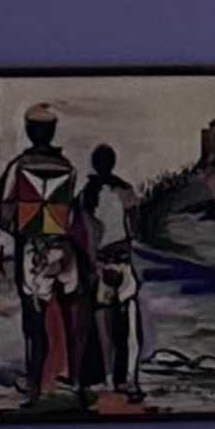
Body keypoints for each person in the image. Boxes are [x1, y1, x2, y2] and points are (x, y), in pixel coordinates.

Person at [0, 105, 93, 409]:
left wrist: (21, 226)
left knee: (34, 320)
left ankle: (36, 387)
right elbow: (71, 213)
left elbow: (5, 213)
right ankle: (74, 382)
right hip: (64, 250)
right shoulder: (67, 167)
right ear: (52, 131)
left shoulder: (18, 166)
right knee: (69, 318)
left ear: (28, 130)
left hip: (33, 252)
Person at [80, 144, 145, 406]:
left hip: (101, 264)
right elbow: (136, 229)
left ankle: (108, 378)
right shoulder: (126, 191)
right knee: (128, 328)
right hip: (123, 262)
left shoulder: (87, 194)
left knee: (104, 327)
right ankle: (129, 379)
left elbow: (85, 234)